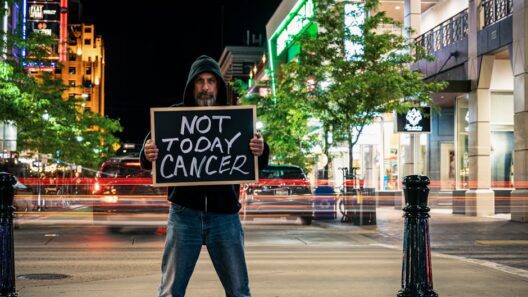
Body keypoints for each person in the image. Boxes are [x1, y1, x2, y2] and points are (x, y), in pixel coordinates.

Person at [140, 55, 269, 297]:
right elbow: (148, 155)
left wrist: (261, 149)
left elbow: (258, 157)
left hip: (225, 216)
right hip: (183, 215)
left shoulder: (235, 117)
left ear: (218, 85)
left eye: (211, 81)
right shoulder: (173, 117)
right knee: (170, 291)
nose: (206, 87)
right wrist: (148, 153)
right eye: (200, 81)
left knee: (239, 291)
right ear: (192, 86)